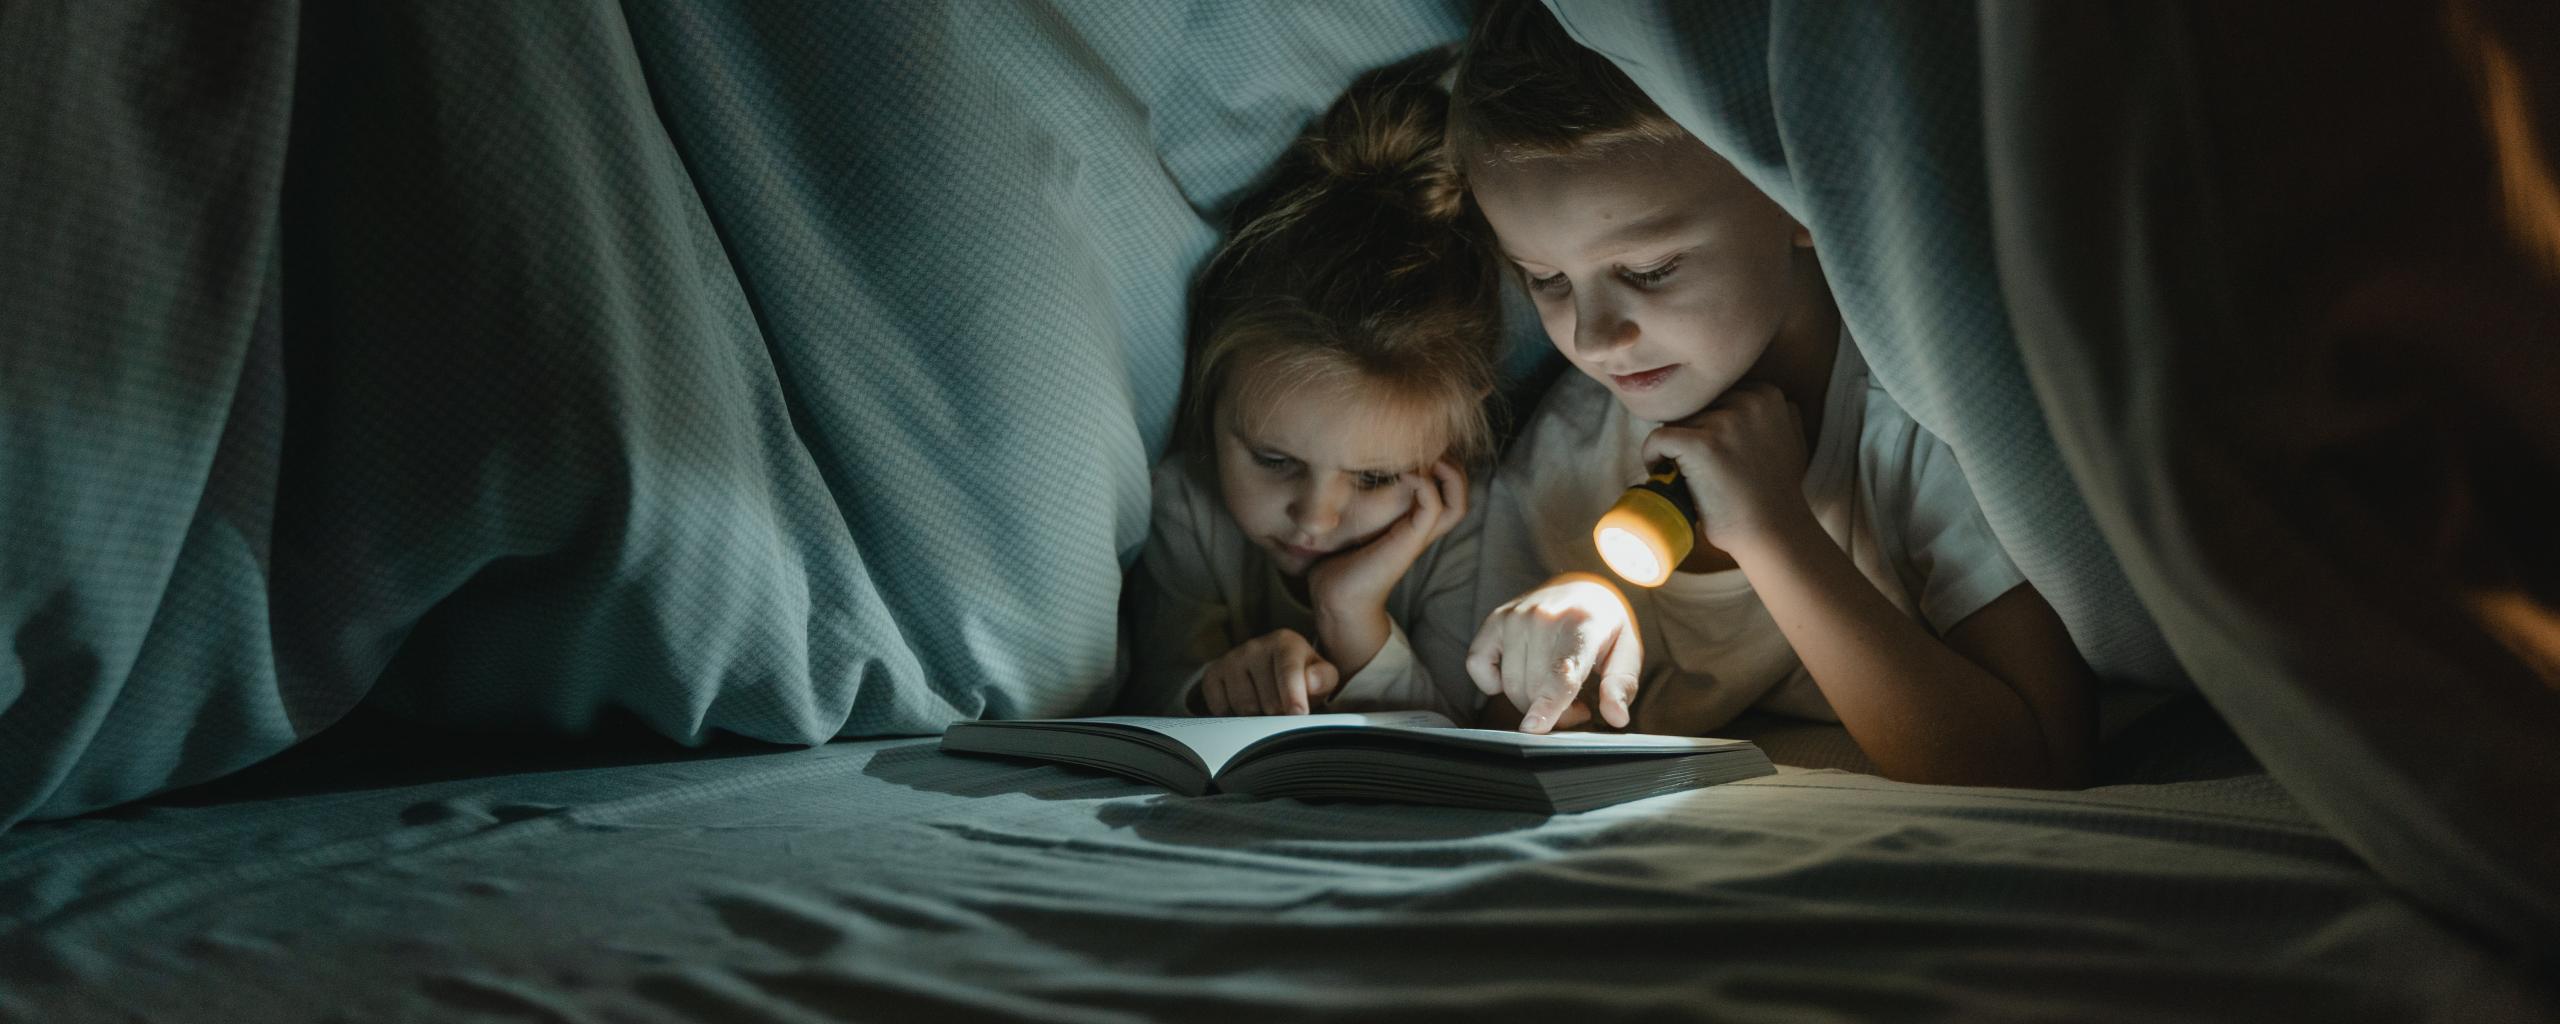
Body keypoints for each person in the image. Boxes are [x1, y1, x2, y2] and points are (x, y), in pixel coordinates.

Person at [1448, 1, 2097, 787]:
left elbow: (2035, 759)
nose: (1592, 338)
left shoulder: (1923, 410)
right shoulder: (1567, 456)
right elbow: (1500, 734)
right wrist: (1565, 650)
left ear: (1798, 196)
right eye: (1545, 280)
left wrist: (1772, 532)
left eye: (1650, 270)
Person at [1117, 49, 1500, 724]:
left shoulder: (1460, 535)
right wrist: (1213, 687)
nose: (1316, 519)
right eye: (1274, 460)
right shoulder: (1190, 505)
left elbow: (1462, 738)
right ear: (1214, 403)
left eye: (1377, 479)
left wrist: (1349, 614)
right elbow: (1149, 687)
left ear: (1451, 447)